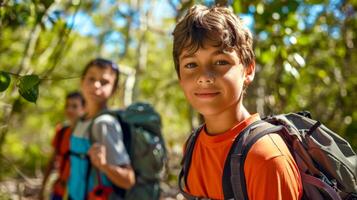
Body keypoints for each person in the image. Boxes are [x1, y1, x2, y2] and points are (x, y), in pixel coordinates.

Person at [172, 5, 303, 200]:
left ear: (248, 70)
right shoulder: (192, 146)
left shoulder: (266, 158)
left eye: (221, 62)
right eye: (191, 65)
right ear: (180, 77)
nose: (204, 77)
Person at [67, 58, 135, 200]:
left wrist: (103, 165)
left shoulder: (105, 124)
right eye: (91, 79)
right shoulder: (81, 120)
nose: (96, 85)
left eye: (104, 82)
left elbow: (128, 180)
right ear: (82, 81)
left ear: (114, 89)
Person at [40, 91, 85, 200]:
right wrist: (42, 188)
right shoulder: (61, 131)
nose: (69, 110)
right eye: (67, 106)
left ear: (84, 108)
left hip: (81, 193)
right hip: (59, 191)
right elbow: (52, 161)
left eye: (74, 106)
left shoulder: (89, 134)